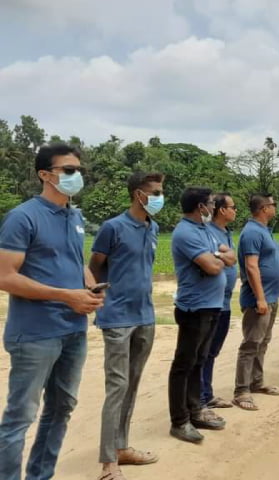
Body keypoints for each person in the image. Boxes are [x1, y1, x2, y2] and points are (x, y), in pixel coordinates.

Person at [0, 143, 104, 480]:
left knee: (61, 409)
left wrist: (88, 286)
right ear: (45, 174)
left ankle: (40, 475)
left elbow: (74, 261)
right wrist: (64, 296)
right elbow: (5, 276)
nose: (77, 177)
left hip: (73, 330)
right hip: (35, 334)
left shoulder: (75, 216)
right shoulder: (23, 217)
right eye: (69, 171)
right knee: (20, 417)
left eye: (79, 171)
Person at [89, 171, 165, 479]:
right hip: (117, 319)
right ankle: (109, 463)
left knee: (132, 386)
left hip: (145, 316)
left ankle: (121, 446)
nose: (160, 197)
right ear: (138, 194)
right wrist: (98, 299)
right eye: (156, 192)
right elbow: (94, 266)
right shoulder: (113, 228)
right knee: (117, 387)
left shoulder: (153, 226)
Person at [169, 187, 235, 443]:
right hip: (194, 308)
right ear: (200, 207)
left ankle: (195, 409)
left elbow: (229, 257)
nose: (212, 206)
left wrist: (218, 257)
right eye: (209, 203)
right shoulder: (185, 232)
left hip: (212, 305)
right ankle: (179, 420)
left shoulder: (205, 230)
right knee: (184, 364)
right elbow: (212, 266)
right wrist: (218, 258)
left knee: (199, 359)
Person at [233, 193, 279, 410]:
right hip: (259, 299)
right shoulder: (252, 232)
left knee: (263, 342)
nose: (275, 207)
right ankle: (241, 390)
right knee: (251, 343)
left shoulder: (263, 230)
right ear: (264, 208)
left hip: (271, 296)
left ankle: (256, 381)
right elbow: (251, 266)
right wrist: (260, 298)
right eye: (273, 204)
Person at [200, 193, 238, 410]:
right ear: (221, 210)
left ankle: (207, 393)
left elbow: (230, 259)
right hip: (211, 302)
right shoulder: (208, 232)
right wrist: (225, 256)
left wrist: (225, 256)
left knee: (212, 350)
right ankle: (200, 396)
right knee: (203, 351)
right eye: (232, 207)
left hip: (224, 302)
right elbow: (217, 259)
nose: (235, 210)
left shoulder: (226, 232)